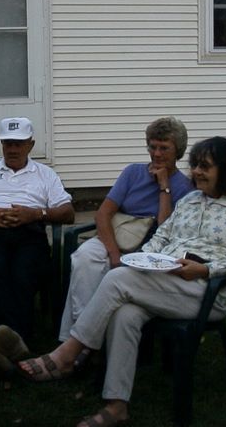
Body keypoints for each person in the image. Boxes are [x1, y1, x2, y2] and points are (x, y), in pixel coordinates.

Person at [18, 137, 226, 427]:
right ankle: (117, 405)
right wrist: (145, 257)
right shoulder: (190, 201)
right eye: (195, 165)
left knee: (119, 277)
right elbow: (162, 236)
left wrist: (205, 269)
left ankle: (69, 353)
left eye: (205, 167)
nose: (196, 171)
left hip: (206, 292)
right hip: (166, 280)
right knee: (125, 314)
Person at [59, 117, 194, 346]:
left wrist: (164, 186)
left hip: (151, 248)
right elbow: (103, 214)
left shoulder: (184, 187)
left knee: (115, 276)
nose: (157, 154)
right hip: (115, 236)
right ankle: (79, 338)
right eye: (152, 146)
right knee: (84, 258)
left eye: (164, 148)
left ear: (178, 150)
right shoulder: (133, 172)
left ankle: (77, 344)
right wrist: (113, 254)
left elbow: (165, 228)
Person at [0, 117, 75, 343]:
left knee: (24, 272)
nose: (12, 149)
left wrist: (36, 214)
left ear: (31, 144)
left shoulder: (45, 174)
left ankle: (3, 339)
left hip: (30, 233)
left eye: (18, 144)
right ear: (1, 145)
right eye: (8, 143)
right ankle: (17, 341)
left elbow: (68, 212)